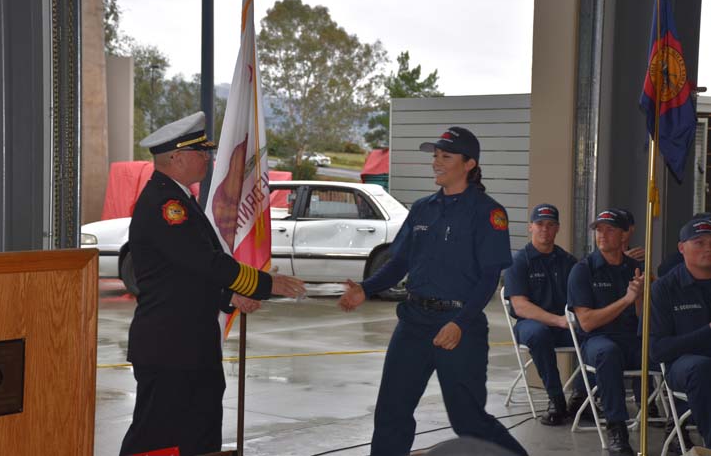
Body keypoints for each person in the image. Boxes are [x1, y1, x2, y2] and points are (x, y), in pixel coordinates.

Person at [119, 112, 306, 456]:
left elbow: (185, 275)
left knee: (198, 435)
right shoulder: (166, 205)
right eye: (199, 152)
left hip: (189, 345)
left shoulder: (178, 199)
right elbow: (204, 261)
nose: (207, 158)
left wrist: (230, 295)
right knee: (157, 439)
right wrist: (264, 284)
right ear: (175, 159)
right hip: (170, 347)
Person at [339, 127, 527, 456]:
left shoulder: (488, 213)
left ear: (469, 164)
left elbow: (488, 277)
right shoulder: (423, 208)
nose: (436, 163)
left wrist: (461, 322)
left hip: (459, 325)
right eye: (435, 156)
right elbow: (399, 263)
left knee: (468, 420)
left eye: (446, 156)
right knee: (391, 412)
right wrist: (365, 289)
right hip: (413, 322)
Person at [567, 209, 649, 456]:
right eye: (598, 229)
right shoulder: (583, 269)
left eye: (609, 229)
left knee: (666, 348)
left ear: (625, 234)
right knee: (608, 352)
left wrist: (642, 298)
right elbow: (587, 322)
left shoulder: (635, 268)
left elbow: (642, 318)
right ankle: (617, 428)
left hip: (631, 338)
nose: (602, 234)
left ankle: (677, 426)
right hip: (597, 341)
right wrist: (627, 299)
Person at [503, 203, 581, 426]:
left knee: (595, 334)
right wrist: (558, 320)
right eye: (539, 224)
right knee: (538, 333)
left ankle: (581, 397)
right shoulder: (518, 262)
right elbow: (520, 306)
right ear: (530, 227)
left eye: (550, 225)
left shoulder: (568, 262)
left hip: (564, 325)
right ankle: (556, 400)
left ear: (557, 228)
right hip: (531, 324)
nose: (544, 229)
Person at [650, 216, 711, 450]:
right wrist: (706, 332)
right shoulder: (664, 289)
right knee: (702, 368)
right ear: (681, 248)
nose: (708, 248)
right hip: (683, 367)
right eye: (699, 242)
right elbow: (657, 351)